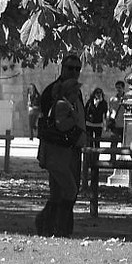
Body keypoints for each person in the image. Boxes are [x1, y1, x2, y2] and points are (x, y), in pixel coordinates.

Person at [35, 55, 86, 238]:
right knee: (63, 191)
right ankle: (52, 225)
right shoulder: (53, 92)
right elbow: (55, 125)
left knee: (67, 190)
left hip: (71, 149)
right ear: (62, 68)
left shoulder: (75, 92)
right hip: (59, 150)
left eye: (77, 69)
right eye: (70, 68)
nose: (74, 72)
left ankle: (54, 226)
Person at [108, 80, 125, 145]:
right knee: (113, 144)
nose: (118, 89)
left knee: (125, 144)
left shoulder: (127, 99)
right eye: (117, 88)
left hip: (124, 125)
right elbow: (110, 111)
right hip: (115, 125)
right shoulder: (112, 99)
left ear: (123, 88)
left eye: (119, 88)